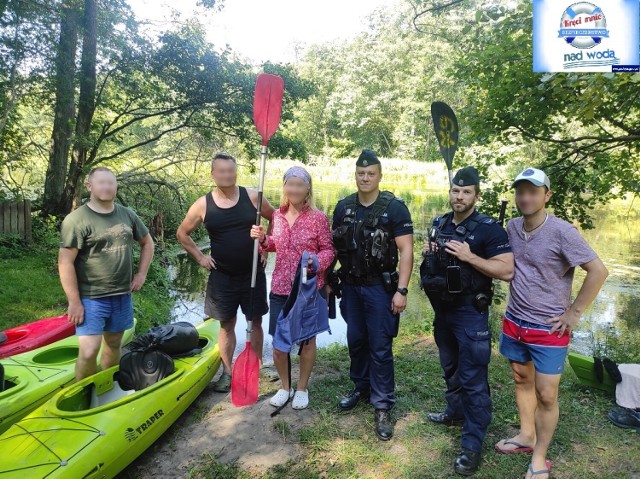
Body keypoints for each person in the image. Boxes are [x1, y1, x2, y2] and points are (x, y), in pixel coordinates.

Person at [495, 168, 608, 479]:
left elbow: (598, 271)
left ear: (546, 196)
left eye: (533, 192)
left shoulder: (563, 232)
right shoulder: (512, 226)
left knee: (547, 394)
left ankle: (540, 458)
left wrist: (574, 312)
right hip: (515, 321)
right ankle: (526, 435)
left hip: (548, 328)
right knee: (521, 380)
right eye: (521, 192)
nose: (525, 198)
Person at [422, 166, 514, 476]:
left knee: (474, 378)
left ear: (476, 195)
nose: (459, 196)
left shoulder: (489, 229)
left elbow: (506, 271)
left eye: (466, 192)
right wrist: (430, 253)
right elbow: (434, 264)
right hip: (443, 310)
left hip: (469, 312)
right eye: (455, 191)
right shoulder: (440, 222)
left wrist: (469, 256)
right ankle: (455, 412)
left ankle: (472, 445)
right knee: (450, 366)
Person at [331, 149, 414, 441]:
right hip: (351, 286)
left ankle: (382, 404)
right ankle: (361, 387)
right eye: (361, 173)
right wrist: (329, 280)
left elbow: (406, 251)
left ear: (379, 176)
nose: (365, 178)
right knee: (356, 339)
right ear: (355, 174)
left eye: (371, 174)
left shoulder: (395, 208)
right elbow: (335, 249)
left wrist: (402, 290)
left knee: (380, 346)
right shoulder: (343, 206)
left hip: (380, 287)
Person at [176, 152, 275, 392]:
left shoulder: (252, 197)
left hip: (252, 273)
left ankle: (258, 365)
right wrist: (200, 257)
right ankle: (227, 372)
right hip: (222, 277)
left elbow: (276, 219)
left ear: (235, 172)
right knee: (226, 325)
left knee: (256, 321)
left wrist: (265, 247)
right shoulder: (203, 204)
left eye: (230, 171)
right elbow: (182, 233)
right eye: (221, 171)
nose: (226, 175)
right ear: (213, 174)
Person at [250, 166, 334, 410]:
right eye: (290, 184)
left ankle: (302, 388)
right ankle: (285, 387)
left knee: (307, 342)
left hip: (309, 288)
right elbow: (277, 245)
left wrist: (317, 262)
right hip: (280, 287)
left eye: (300, 185)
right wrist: (265, 241)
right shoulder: (277, 215)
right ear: (284, 187)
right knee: (278, 342)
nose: (294, 189)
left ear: (308, 188)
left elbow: (329, 249)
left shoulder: (318, 218)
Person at [58, 167, 154, 381]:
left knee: (113, 344)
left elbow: (147, 243)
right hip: (91, 297)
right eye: (101, 183)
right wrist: (74, 301)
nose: (107, 187)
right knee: (90, 350)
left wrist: (141, 274)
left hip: (122, 295)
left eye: (110, 183)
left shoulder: (127, 214)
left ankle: (106, 388)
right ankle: (83, 392)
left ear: (115, 186)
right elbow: (65, 262)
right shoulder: (76, 220)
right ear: (90, 186)